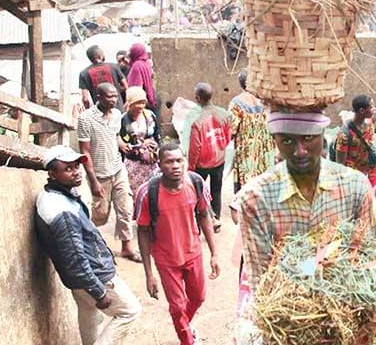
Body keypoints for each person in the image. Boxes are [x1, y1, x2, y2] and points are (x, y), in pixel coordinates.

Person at [232, 109, 376, 343]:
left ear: (322, 135)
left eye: (308, 138)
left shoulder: (354, 186)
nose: (299, 151)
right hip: (293, 328)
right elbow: (262, 281)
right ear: (274, 140)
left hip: (348, 323)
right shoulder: (255, 198)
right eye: (287, 140)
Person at [35, 145, 141, 345]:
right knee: (130, 311)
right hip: (94, 276)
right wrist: (99, 291)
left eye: (76, 166)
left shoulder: (55, 196)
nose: (76, 172)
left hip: (80, 280)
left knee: (89, 313)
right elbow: (75, 259)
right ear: (52, 173)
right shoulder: (61, 210)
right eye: (68, 169)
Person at [136, 143, 220, 345]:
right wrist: (149, 274)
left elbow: (204, 215)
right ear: (159, 164)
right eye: (169, 161)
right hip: (166, 258)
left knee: (198, 297)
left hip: (193, 252)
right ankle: (187, 339)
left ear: (185, 162)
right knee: (177, 305)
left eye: (179, 160)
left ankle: (185, 325)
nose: (175, 166)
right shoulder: (147, 193)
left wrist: (214, 254)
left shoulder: (196, 182)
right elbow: (143, 231)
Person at [78, 82, 141, 262]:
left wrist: (123, 145)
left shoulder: (115, 115)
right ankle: (88, 244)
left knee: (126, 209)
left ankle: (127, 247)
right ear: (98, 97)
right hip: (99, 173)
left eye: (115, 96)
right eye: (109, 97)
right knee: (100, 215)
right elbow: (85, 152)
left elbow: (115, 136)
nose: (114, 100)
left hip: (118, 169)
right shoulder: (86, 119)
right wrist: (94, 181)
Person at [187, 83, 231, 233]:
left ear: (198, 98)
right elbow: (227, 137)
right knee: (216, 191)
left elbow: (195, 149)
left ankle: (203, 222)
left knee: (199, 193)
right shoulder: (224, 115)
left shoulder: (197, 123)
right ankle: (216, 219)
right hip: (219, 159)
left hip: (202, 164)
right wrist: (220, 149)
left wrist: (191, 168)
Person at [228, 71, 273, 194]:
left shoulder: (237, 103)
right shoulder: (267, 101)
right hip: (266, 150)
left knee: (248, 187)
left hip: (247, 151)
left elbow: (232, 128)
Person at [119, 87, 160, 195]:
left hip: (150, 162)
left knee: (152, 192)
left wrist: (155, 149)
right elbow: (123, 141)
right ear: (130, 103)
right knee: (136, 193)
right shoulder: (123, 120)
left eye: (143, 103)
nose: (141, 106)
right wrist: (140, 145)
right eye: (137, 103)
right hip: (134, 163)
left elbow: (157, 135)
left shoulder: (150, 116)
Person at [335, 94, 376, 187]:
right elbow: (340, 164)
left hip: (368, 170)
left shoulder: (369, 123)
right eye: (371, 107)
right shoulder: (344, 135)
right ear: (361, 111)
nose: (374, 109)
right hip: (353, 178)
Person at [79, 45, 126, 110]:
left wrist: (88, 110)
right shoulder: (114, 67)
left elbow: (85, 99)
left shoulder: (84, 73)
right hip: (118, 109)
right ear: (100, 56)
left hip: (100, 112)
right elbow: (126, 86)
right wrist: (114, 92)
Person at [127, 43, 158, 113]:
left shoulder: (137, 66)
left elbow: (137, 89)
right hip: (151, 99)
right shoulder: (147, 63)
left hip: (141, 103)